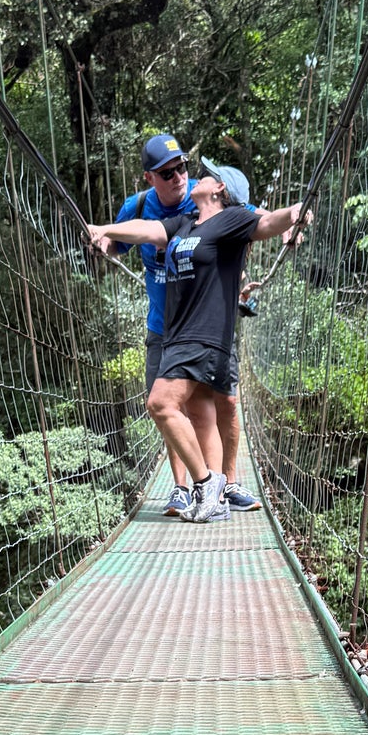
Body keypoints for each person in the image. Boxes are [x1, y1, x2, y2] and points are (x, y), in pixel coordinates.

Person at [91, 164, 311, 523]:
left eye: (205, 175)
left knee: (160, 404)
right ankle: (217, 498)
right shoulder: (185, 223)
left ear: (218, 188)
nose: (196, 176)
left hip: (204, 334)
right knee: (198, 413)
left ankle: (206, 484)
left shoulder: (232, 220)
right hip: (179, 331)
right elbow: (147, 231)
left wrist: (296, 212)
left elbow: (268, 223)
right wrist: (105, 229)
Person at [112, 134, 262, 518]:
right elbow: (127, 240)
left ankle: (221, 486)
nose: (179, 176)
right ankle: (184, 488)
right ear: (150, 178)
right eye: (167, 172)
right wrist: (104, 236)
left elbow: (248, 212)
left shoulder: (205, 193)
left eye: (181, 167)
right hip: (164, 325)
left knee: (221, 403)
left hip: (208, 325)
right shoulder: (140, 206)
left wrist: (289, 224)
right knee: (169, 407)